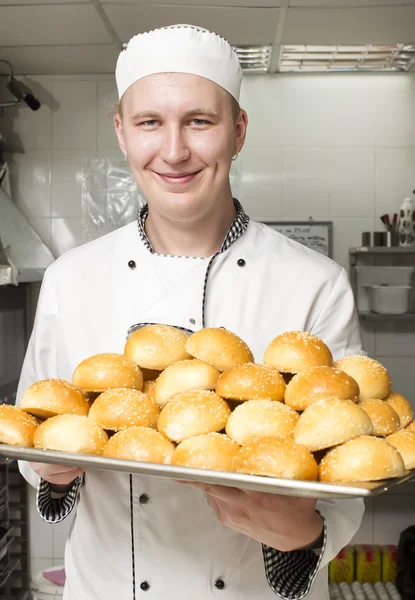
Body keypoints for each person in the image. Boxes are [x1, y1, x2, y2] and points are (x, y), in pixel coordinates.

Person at [17, 24, 364, 600]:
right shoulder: (70, 280)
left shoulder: (314, 284)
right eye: (150, 122)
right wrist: (53, 477)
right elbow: (37, 442)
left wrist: (303, 536)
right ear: (122, 134)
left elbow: (345, 471)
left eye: (199, 121)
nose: (174, 150)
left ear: (239, 132)